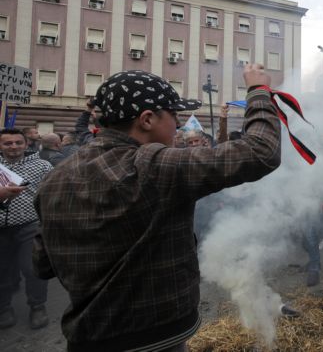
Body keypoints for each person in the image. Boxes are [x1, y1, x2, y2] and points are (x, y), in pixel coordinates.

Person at [33, 65, 281, 351]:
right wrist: (259, 92)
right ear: (147, 119)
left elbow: (42, 264)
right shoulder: (149, 164)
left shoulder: (55, 177)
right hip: (155, 336)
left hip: (87, 336)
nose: (177, 125)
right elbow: (260, 152)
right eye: (173, 116)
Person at [0, 128, 53, 330]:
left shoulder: (42, 165)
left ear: (25, 144)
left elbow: (51, 193)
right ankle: (3, 308)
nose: (13, 147)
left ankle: (37, 306)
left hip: (29, 226)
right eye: (8, 143)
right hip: (1, 230)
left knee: (32, 269)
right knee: (2, 270)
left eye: (18, 143)